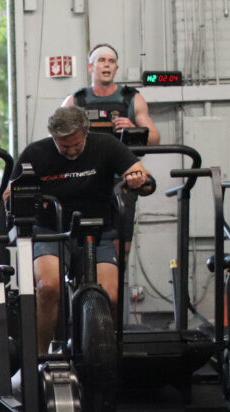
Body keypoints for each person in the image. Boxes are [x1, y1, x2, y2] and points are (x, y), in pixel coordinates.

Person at [13, 105, 153, 354]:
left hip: (98, 231)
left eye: (76, 144)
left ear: (86, 134)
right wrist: (26, 199)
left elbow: (141, 175)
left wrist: (138, 179)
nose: (71, 150)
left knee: (109, 296)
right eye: (63, 146)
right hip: (51, 230)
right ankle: (40, 357)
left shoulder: (107, 145)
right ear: (53, 137)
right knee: (48, 287)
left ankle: (100, 359)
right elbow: (8, 195)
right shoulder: (35, 153)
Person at [62, 43, 160, 145]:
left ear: (116, 69)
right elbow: (55, 136)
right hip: (88, 159)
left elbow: (155, 139)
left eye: (111, 61)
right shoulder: (75, 100)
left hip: (122, 159)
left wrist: (134, 130)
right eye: (101, 60)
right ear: (91, 67)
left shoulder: (133, 99)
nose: (107, 65)